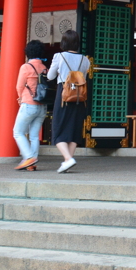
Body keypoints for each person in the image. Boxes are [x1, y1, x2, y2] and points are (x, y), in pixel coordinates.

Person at [47, 30, 90, 173]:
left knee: (58, 128)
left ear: (64, 42)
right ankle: (67, 160)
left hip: (64, 95)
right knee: (74, 129)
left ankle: (68, 158)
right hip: (79, 97)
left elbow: (50, 76)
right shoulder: (85, 59)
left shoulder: (59, 56)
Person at [12, 40, 48, 171]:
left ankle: (28, 158)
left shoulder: (26, 67)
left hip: (29, 104)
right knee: (34, 135)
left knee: (18, 132)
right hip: (42, 106)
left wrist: (21, 98)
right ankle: (31, 163)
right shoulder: (44, 67)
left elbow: (19, 86)